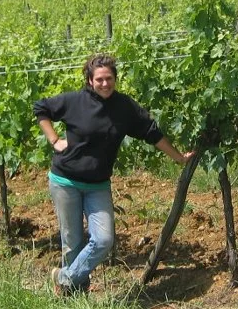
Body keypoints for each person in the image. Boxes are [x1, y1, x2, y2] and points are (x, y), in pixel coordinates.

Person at [33, 53, 194, 295]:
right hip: (65, 181)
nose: (105, 83)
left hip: (97, 184)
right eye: (99, 79)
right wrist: (54, 139)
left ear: (115, 79)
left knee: (104, 239)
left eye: (109, 78)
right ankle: (73, 295)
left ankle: (63, 277)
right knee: (73, 243)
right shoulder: (74, 101)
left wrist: (179, 157)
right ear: (89, 80)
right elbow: (41, 108)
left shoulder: (124, 107)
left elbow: (151, 132)